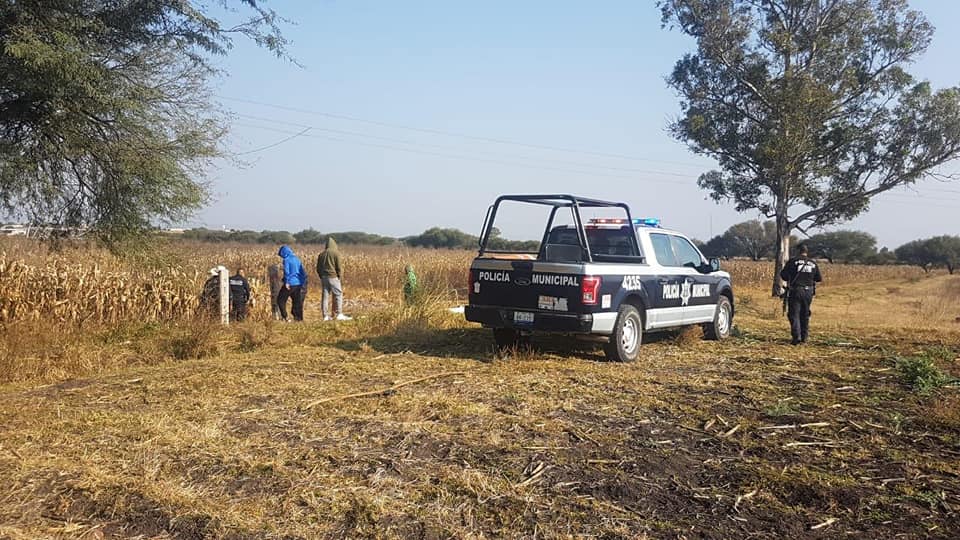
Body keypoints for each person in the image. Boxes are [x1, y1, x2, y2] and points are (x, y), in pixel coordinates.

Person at [779, 243, 823, 345]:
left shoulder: (793, 261)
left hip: (796, 291)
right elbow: (818, 278)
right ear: (806, 252)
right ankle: (804, 338)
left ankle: (796, 337)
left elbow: (783, 275)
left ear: (798, 251)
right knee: (805, 314)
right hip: (809, 292)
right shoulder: (813, 263)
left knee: (794, 314)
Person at [316, 237, 350, 321]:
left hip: (324, 277)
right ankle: (339, 314)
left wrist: (321, 276)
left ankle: (325, 316)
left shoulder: (321, 254)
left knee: (325, 296)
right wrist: (339, 276)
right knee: (338, 294)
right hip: (333, 277)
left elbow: (318, 268)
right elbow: (339, 267)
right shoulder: (336, 253)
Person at [277, 245, 307, 321]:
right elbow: (302, 272)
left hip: (290, 284)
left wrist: (287, 282)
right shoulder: (297, 259)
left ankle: (285, 317)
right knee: (297, 301)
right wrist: (302, 282)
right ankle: (298, 319)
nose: (282, 257)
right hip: (298, 284)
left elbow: (287, 272)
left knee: (280, 300)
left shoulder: (286, 260)